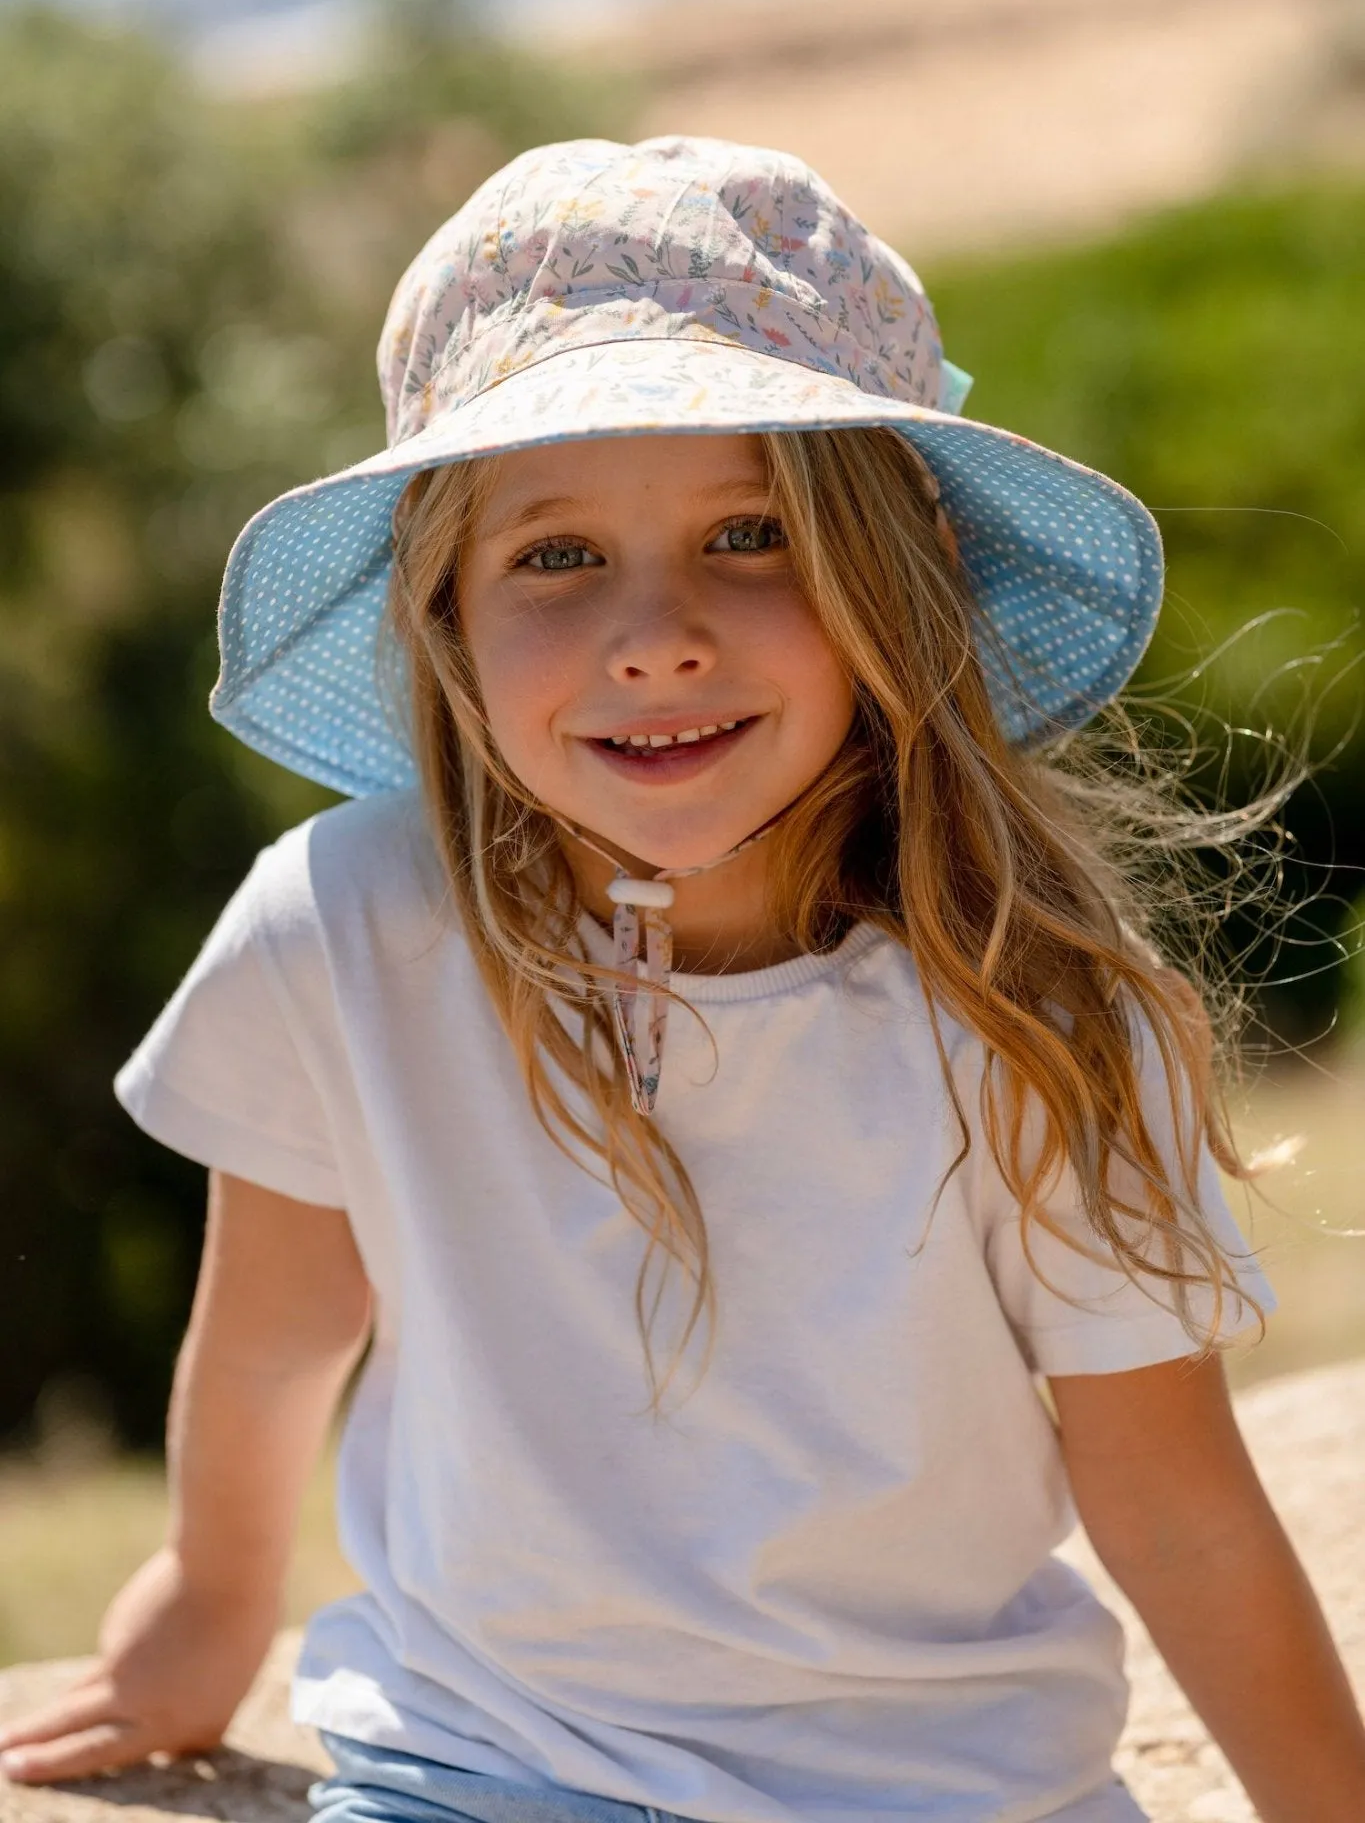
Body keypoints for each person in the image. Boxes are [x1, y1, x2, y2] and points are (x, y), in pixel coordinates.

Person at [2, 136, 1362, 1823]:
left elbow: (1176, 1503)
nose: (655, 634)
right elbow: (277, 1335)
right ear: (444, 616)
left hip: (943, 1794)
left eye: (749, 532)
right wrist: (205, 1611)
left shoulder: (1033, 1000)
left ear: (899, 574)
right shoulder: (343, 923)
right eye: (555, 558)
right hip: (475, 1768)